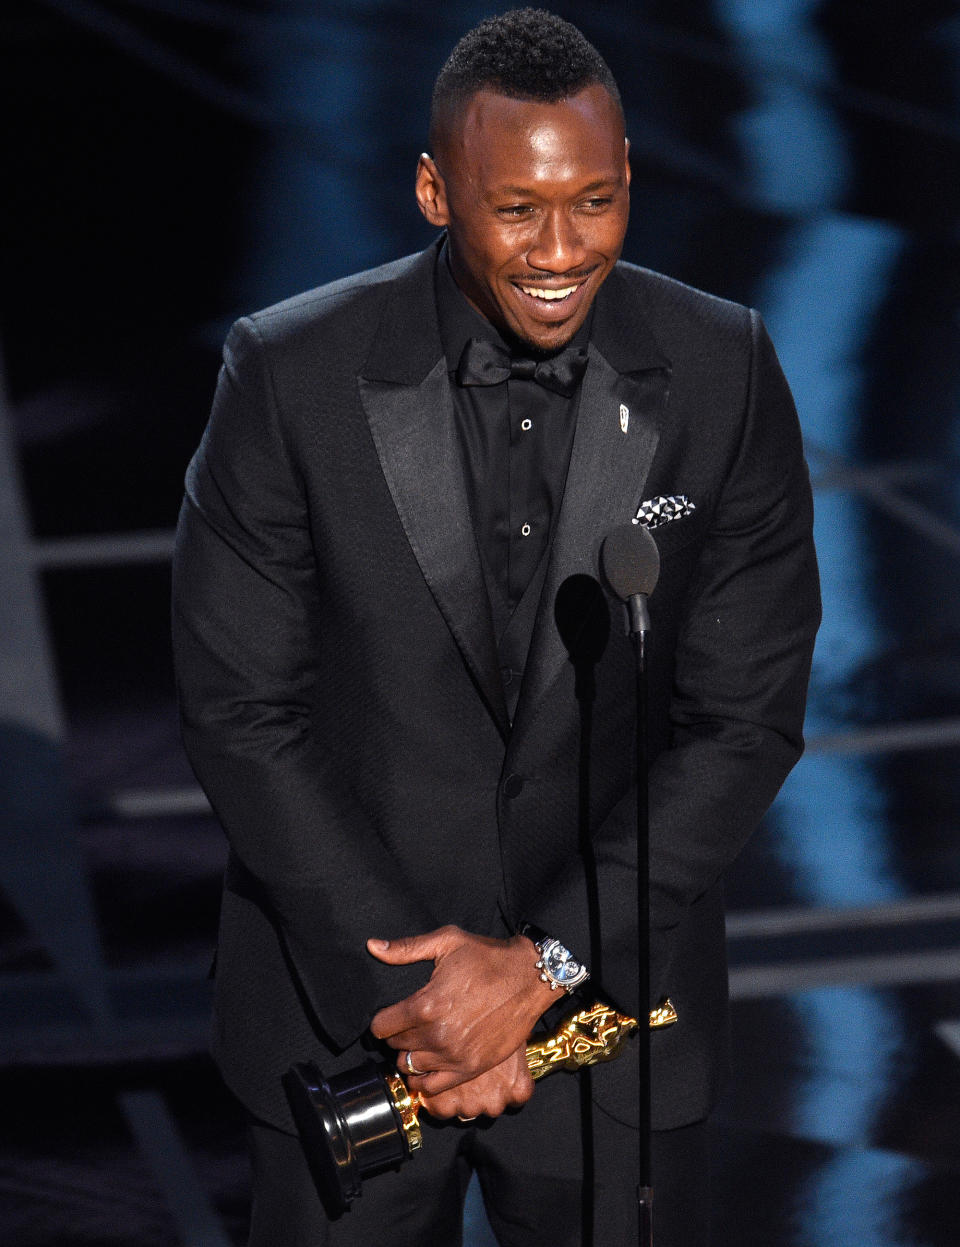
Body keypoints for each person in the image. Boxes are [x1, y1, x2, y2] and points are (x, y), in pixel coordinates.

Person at [172, 9, 820, 1246]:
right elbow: (240, 710)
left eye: (593, 201)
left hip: (613, 1029)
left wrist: (543, 966)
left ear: (631, 178)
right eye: (515, 208)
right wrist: (428, 1003)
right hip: (348, 1025)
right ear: (432, 189)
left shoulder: (723, 367)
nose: (560, 248)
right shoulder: (288, 374)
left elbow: (743, 718)